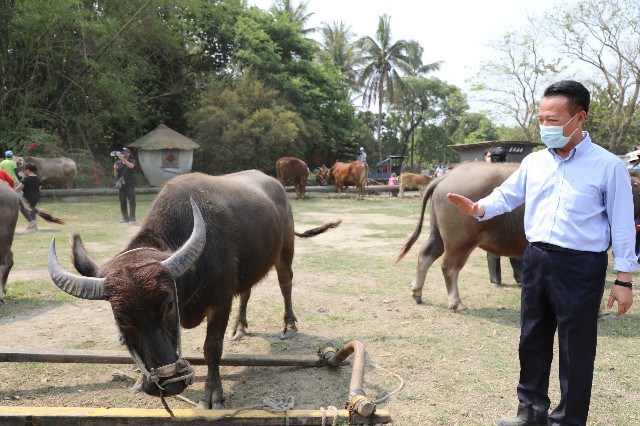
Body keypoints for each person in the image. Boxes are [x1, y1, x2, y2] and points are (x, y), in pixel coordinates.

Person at [447, 80, 636, 426]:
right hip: (534, 257)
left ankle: (568, 418)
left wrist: (624, 279)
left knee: (575, 347)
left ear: (579, 118)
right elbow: (506, 196)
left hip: (581, 264)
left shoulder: (608, 166)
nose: (545, 127)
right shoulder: (535, 163)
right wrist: (478, 208)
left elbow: (623, 226)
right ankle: (530, 411)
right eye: (541, 119)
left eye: (553, 120)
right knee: (531, 338)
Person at [485, 146, 524, 285]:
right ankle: (520, 277)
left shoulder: (485, 174)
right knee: (515, 245)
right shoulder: (511, 172)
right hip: (512, 214)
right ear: (505, 158)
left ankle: (495, 279)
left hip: (490, 213)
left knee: (492, 245)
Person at [113, 147, 137, 224]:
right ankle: (125, 218)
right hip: (121, 186)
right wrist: (115, 168)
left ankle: (132, 219)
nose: (124, 153)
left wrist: (124, 160)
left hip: (130, 185)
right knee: (122, 202)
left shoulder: (132, 161)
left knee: (132, 202)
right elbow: (115, 175)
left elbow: (131, 166)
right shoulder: (118, 162)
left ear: (129, 153)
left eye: (126, 152)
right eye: (123, 152)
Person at [15, 163, 41, 231]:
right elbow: (39, 188)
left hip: (27, 197)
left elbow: (19, 188)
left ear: (28, 170)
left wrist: (12, 191)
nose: (24, 171)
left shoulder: (26, 179)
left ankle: (31, 221)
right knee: (32, 209)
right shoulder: (38, 178)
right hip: (36, 197)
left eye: (25, 170)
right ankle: (34, 226)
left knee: (21, 208)